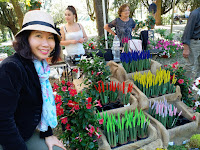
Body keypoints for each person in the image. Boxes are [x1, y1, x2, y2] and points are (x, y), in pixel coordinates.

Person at [0, 10, 66, 150]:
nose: (46, 43)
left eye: (50, 37)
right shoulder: (11, 68)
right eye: (38, 36)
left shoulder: (39, 66)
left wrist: (48, 133)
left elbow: (42, 100)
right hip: (7, 139)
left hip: (25, 133)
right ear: (26, 38)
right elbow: (3, 120)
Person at [182, 7, 200, 80]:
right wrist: (186, 48)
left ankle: (197, 83)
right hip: (194, 42)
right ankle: (185, 85)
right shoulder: (195, 14)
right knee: (189, 65)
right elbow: (187, 31)